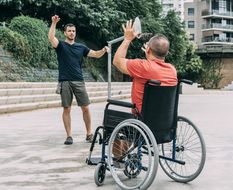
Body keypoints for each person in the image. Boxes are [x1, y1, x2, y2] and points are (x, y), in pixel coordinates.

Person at [48, 15, 108, 145]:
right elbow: (51, 38)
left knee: (85, 108)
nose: (72, 33)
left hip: (79, 81)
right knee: (66, 109)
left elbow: (96, 54)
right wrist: (53, 23)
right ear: (65, 33)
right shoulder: (61, 46)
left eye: (73, 31)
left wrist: (103, 50)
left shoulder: (81, 47)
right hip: (65, 81)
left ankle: (89, 134)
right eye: (69, 31)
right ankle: (69, 136)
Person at [113, 19, 177, 113]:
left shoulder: (142, 67)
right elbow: (155, 67)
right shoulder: (172, 69)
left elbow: (117, 61)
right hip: (165, 119)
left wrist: (127, 39)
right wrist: (149, 54)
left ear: (148, 50)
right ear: (166, 53)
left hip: (142, 119)